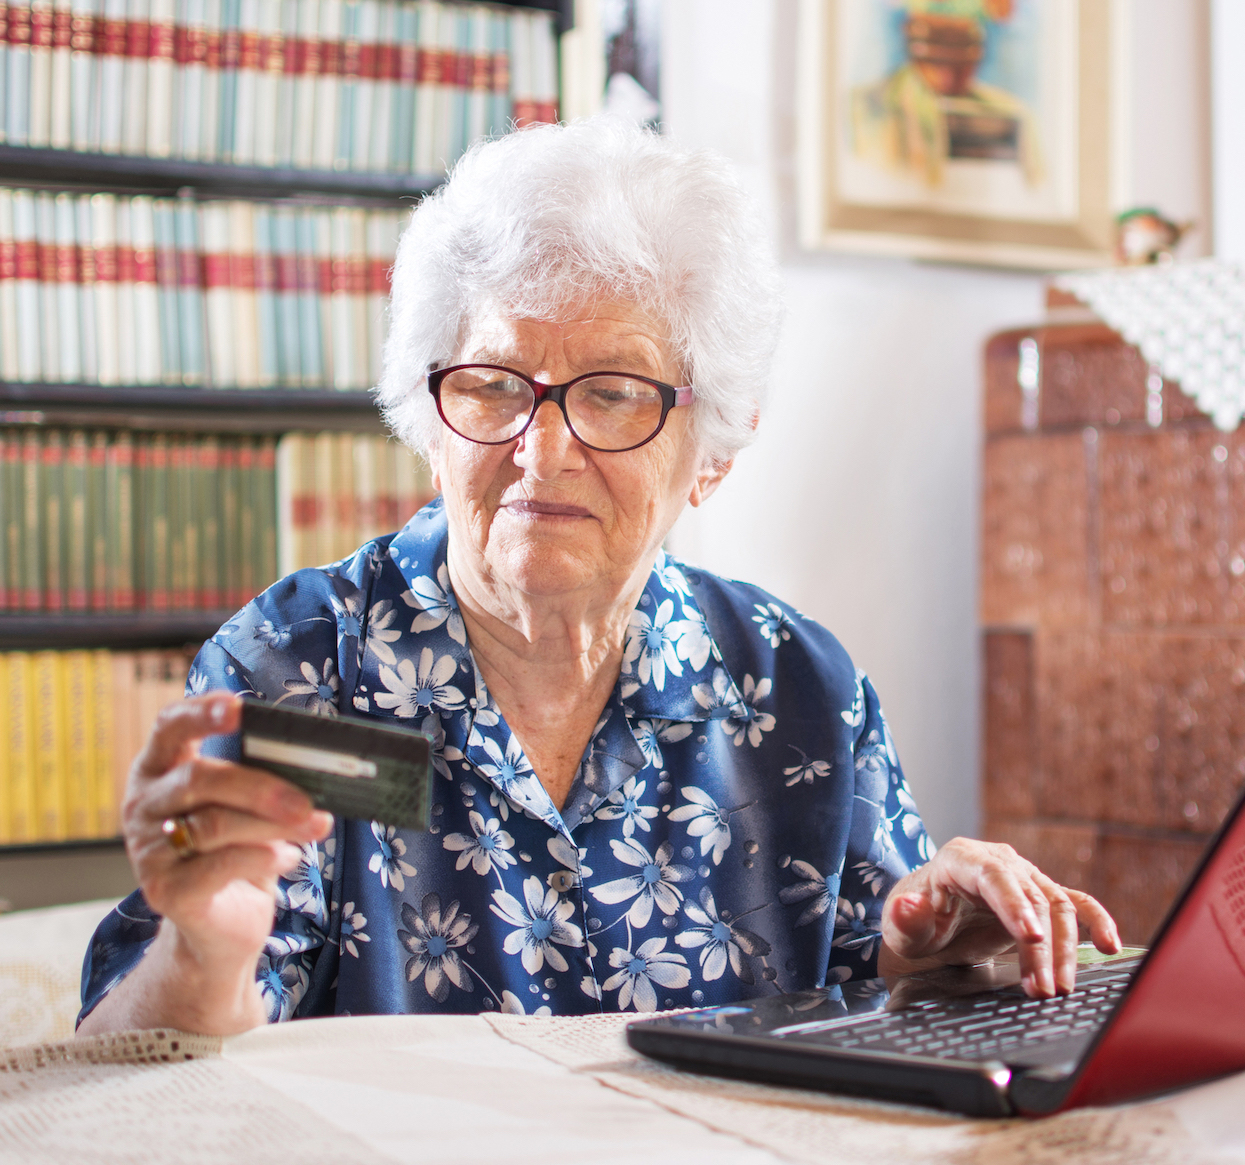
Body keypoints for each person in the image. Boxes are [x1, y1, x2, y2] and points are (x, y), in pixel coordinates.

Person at [78, 120, 1118, 1036]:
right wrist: (204, 952)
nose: (542, 450)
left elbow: (872, 988)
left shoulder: (797, 688)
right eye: (493, 385)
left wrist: (934, 950)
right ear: (429, 418)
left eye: (613, 394)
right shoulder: (298, 666)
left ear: (713, 451)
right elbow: (138, 1061)